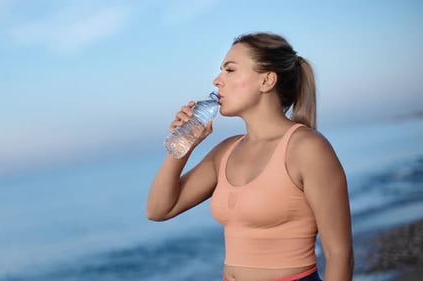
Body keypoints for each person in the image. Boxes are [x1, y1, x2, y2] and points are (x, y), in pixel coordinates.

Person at [146, 32, 353, 281]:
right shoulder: (226, 151)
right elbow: (158, 210)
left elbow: (339, 254)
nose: (217, 80)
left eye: (229, 70)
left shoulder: (307, 148)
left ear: (266, 81)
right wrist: (184, 143)